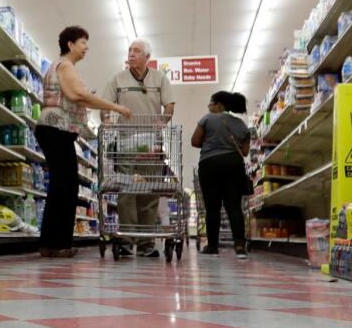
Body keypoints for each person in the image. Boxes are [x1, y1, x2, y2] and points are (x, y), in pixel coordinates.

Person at [38, 25, 131, 258]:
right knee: (66, 185)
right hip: (55, 130)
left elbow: (76, 96)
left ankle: (51, 244)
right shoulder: (66, 65)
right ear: (70, 44)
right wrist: (115, 106)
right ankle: (59, 245)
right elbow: (77, 95)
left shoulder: (62, 66)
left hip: (53, 130)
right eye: (82, 42)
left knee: (61, 185)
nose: (86, 47)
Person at [100, 39, 175, 258]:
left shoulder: (160, 78)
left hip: (151, 145)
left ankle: (146, 244)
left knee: (149, 193)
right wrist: (106, 119)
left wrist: (163, 120)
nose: (131, 54)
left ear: (147, 57)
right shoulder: (117, 78)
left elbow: (169, 105)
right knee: (126, 192)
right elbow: (106, 105)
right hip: (125, 144)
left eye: (137, 51)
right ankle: (125, 239)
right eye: (130, 50)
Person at [191, 90, 252, 259]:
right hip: (234, 165)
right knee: (234, 206)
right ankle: (240, 247)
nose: (209, 107)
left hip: (210, 165)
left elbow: (195, 141)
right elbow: (245, 152)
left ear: (219, 105)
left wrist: (212, 141)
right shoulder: (241, 125)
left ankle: (212, 247)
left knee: (212, 208)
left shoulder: (207, 119)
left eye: (211, 104)